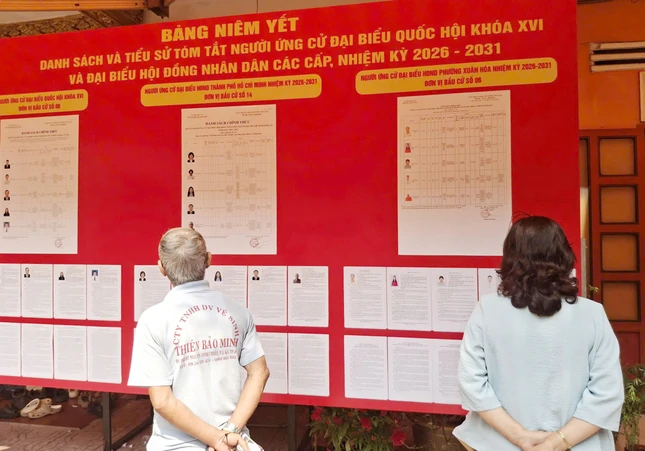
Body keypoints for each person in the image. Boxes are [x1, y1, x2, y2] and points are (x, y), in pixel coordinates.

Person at [453, 216, 624, 451]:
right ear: (564, 255)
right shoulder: (593, 314)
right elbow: (607, 393)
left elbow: (471, 384)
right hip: (578, 444)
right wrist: (554, 443)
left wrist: (521, 438)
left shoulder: (487, 310)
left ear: (510, 257)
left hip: (498, 443)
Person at [128, 227, 269, 451]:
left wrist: (217, 440)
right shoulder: (238, 312)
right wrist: (229, 432)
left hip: (175, 445)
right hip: (233, 441)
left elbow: (162, 401)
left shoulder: (152, 320)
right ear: (208, 260)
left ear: (161, 268)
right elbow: (259, 372)